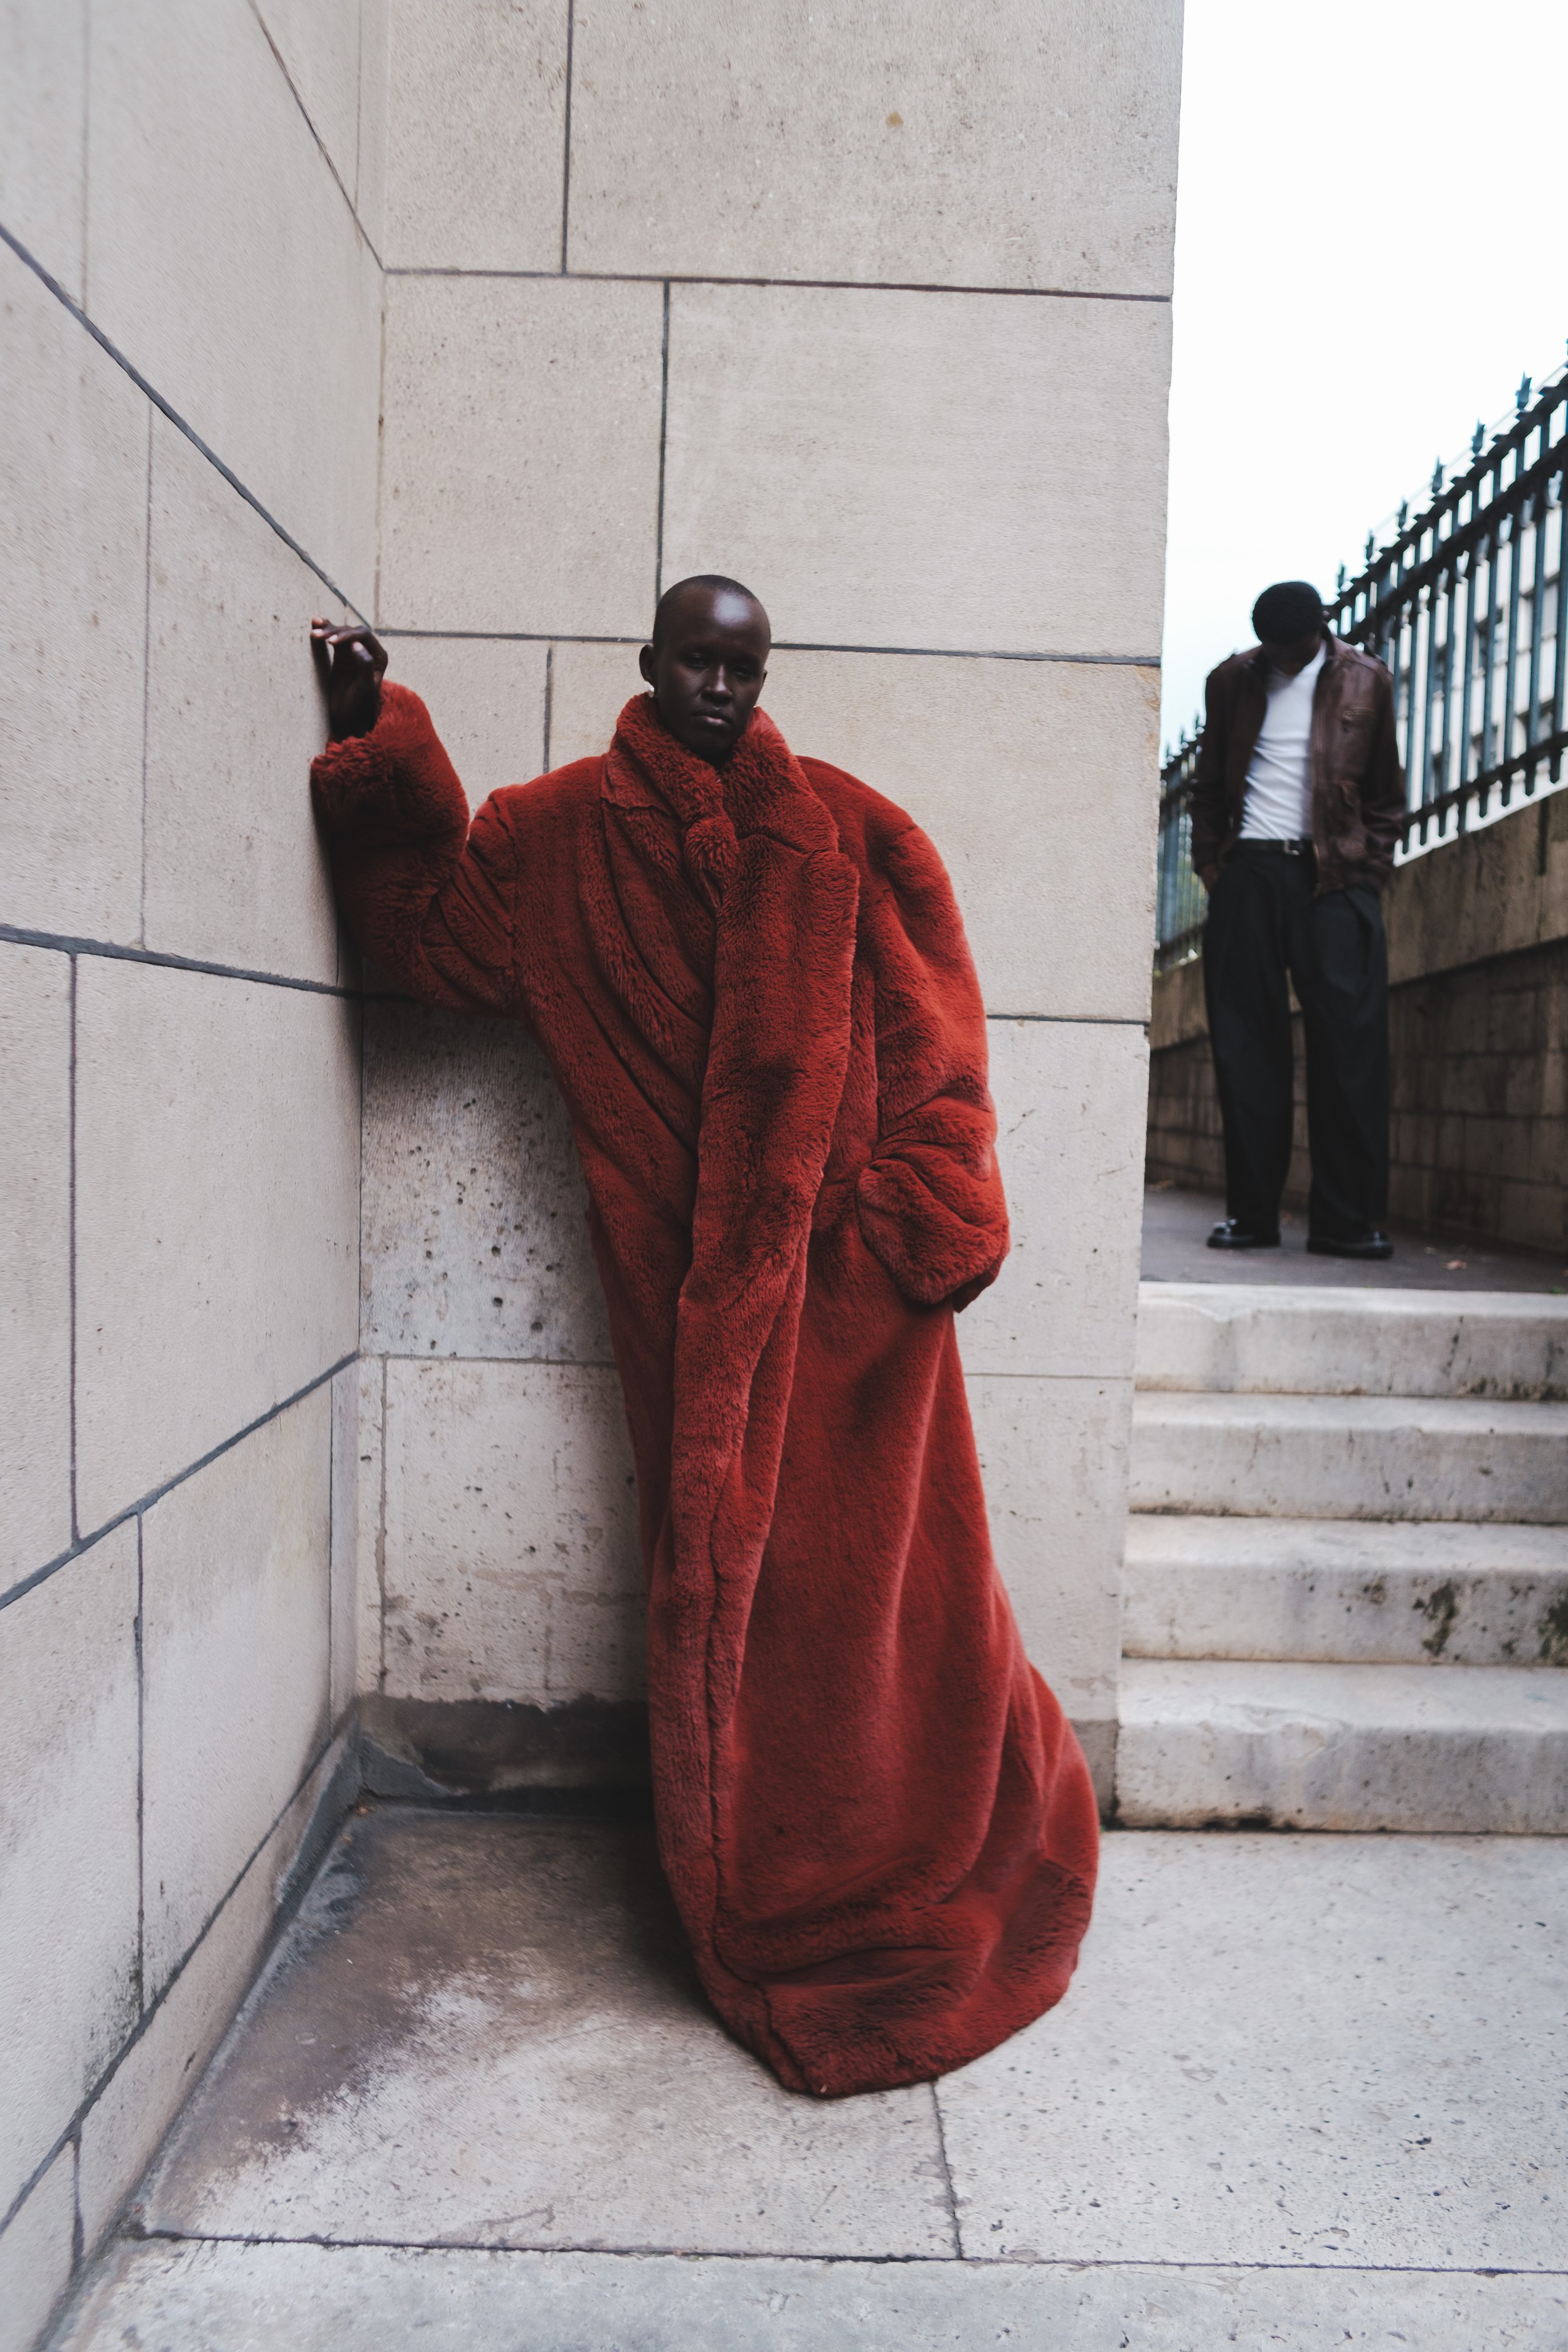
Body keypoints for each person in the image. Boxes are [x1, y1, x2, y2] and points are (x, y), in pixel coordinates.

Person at [308, 578, 1098, 2099]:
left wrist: (914, 1230)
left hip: (860, 1316)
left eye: (746, 666)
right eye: (697, 661)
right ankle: (774, 1893)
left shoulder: (854, 831)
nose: (722, 689)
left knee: (886, 1598)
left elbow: (941, 1049)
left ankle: (898, 1861)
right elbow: (424, 939)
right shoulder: (550, 838)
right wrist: (378, 746)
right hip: (689, 1320)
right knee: (741, 1605)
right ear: (651, 662)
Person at [1189, 579, 1405, 1258]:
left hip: (1334, 881)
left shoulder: (1367, 680)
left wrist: (1367, 873)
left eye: (1293, 650)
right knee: (1246, 1051)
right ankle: (1252, 1218)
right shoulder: (1232, 680)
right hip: (1249, 874)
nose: (1282, 661)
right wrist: (1212, 867)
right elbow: (1206, 785)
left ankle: (1345, 1224)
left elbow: (1386, 792)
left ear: (1319, 632)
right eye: (1271, 651)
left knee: (1349, 1053)